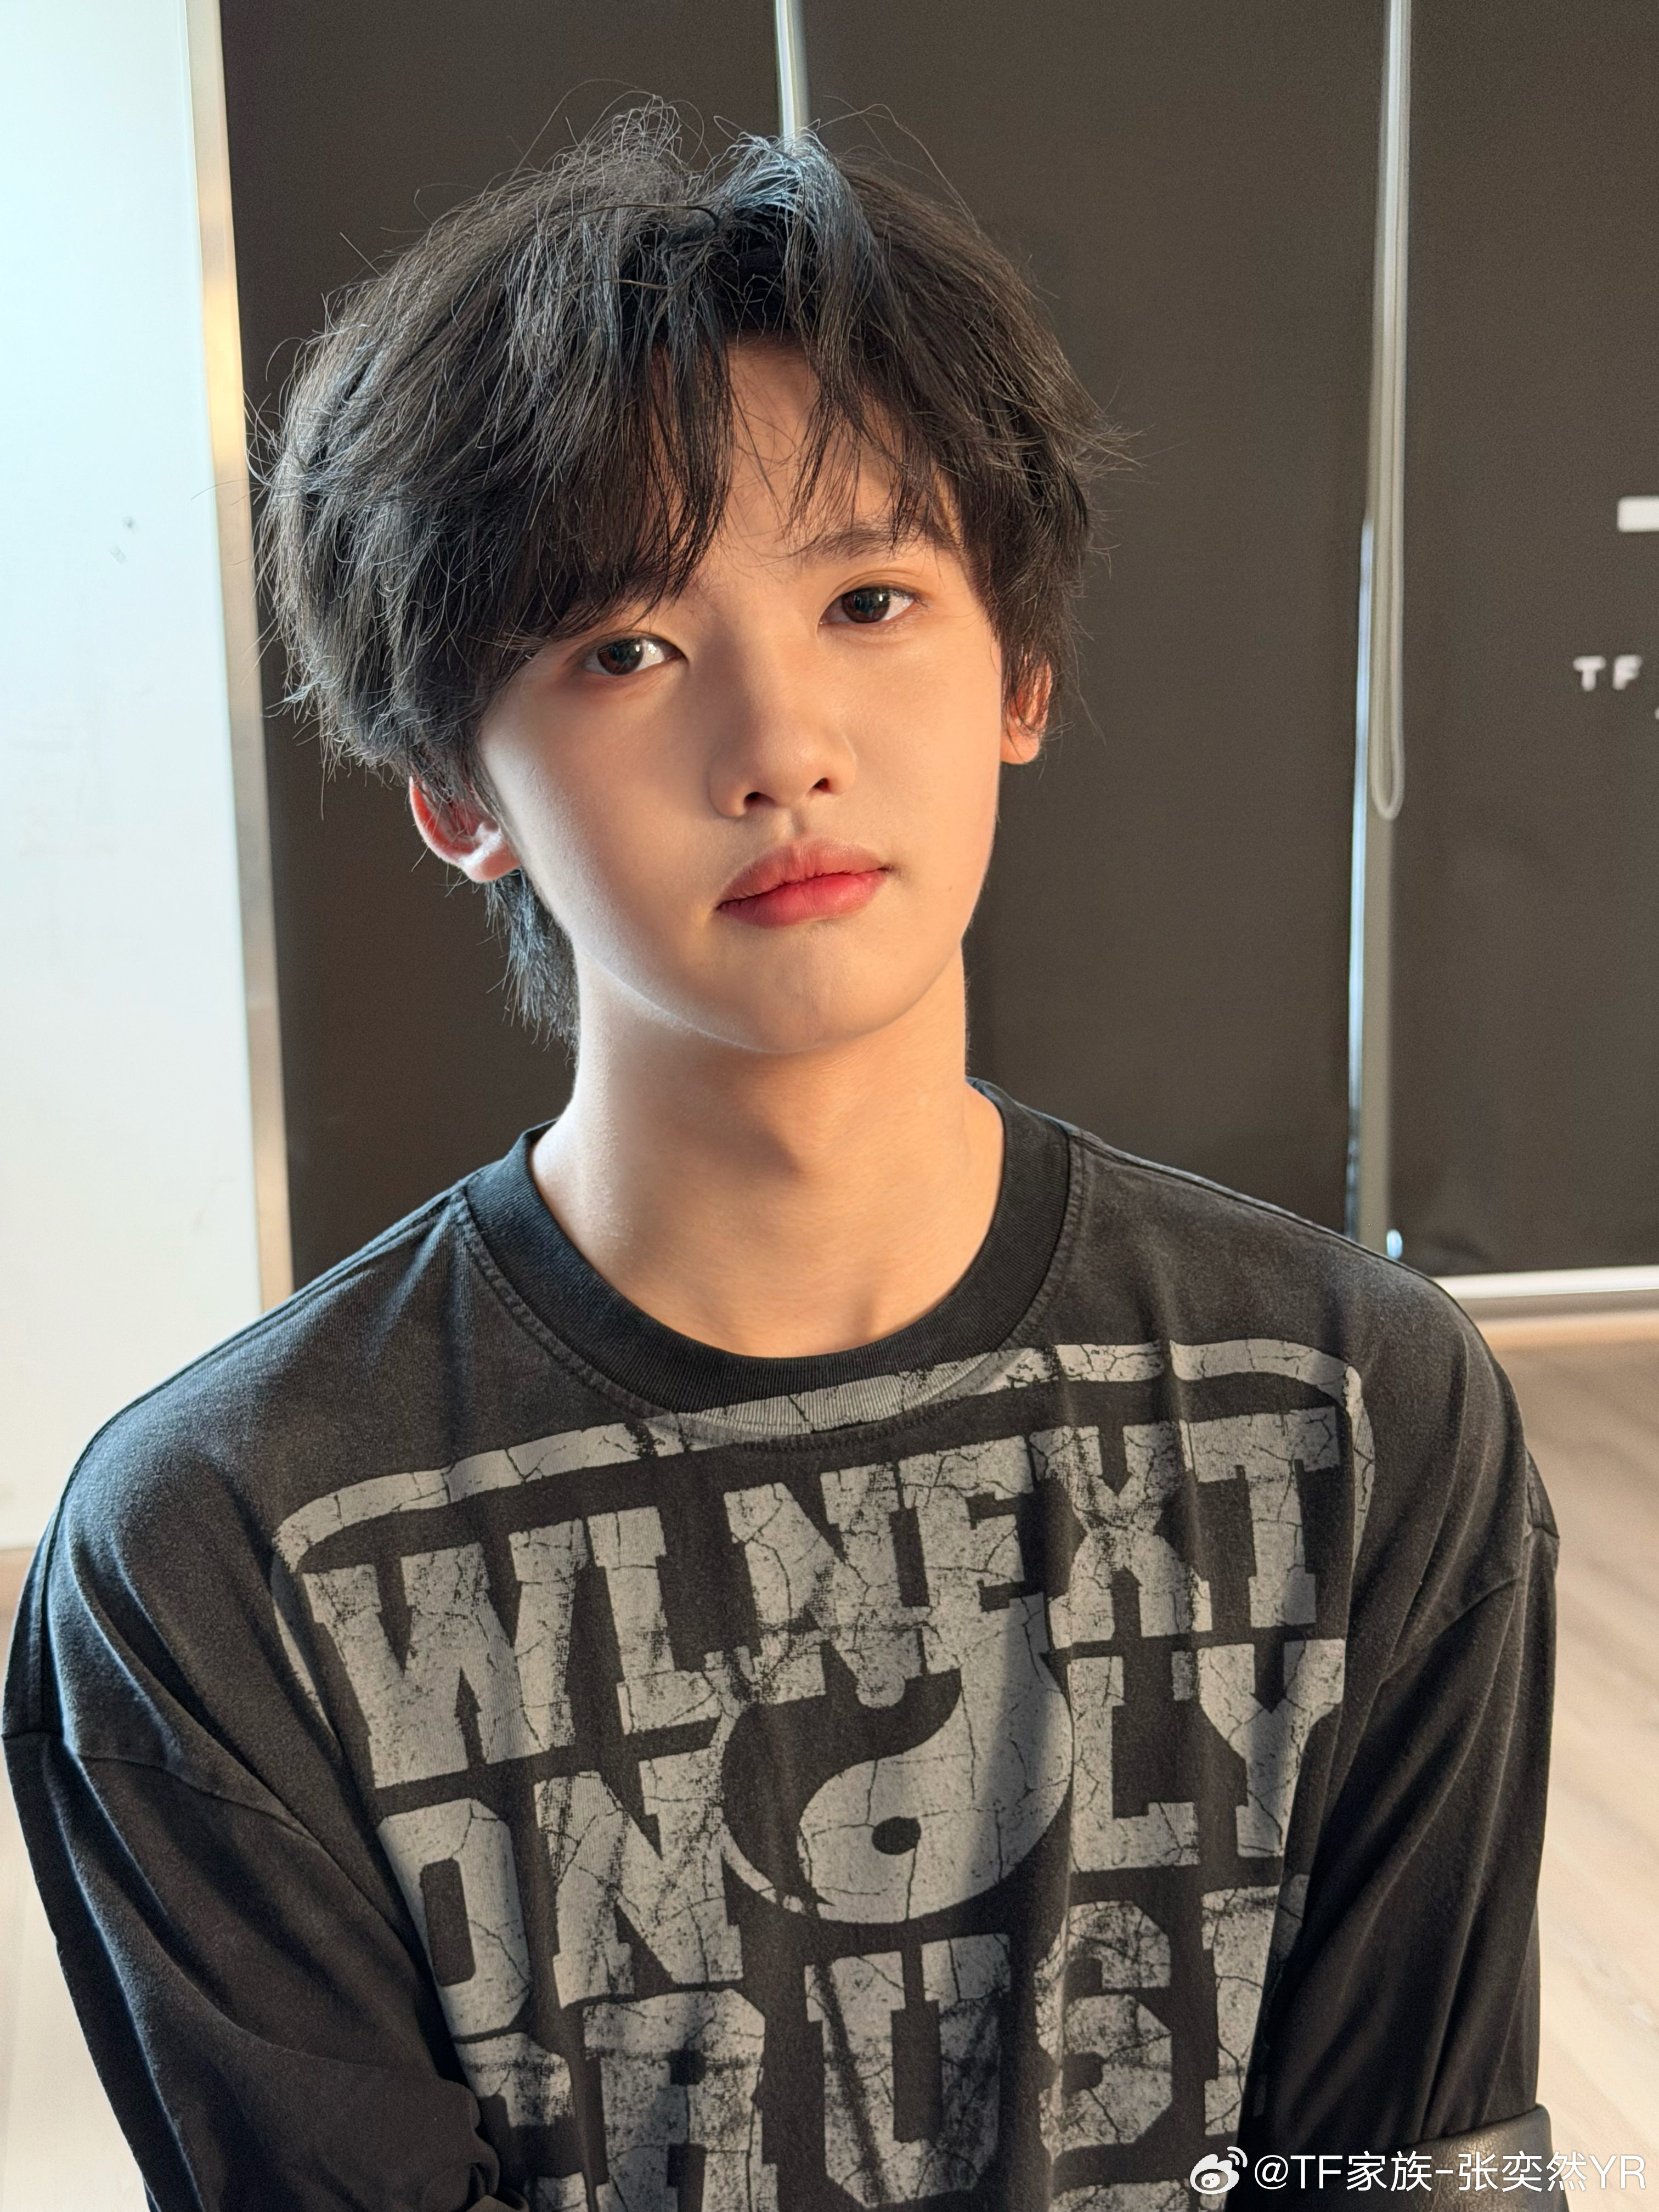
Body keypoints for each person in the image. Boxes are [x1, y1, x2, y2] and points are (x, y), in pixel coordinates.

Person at [5, 114, 1557, 2212]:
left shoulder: (1356, 1409)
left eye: (870, 598)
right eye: (624, 649)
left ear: (1019, 673)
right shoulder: (217, 1551)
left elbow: (1413, 2172)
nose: (782, 745)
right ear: (458, 794)